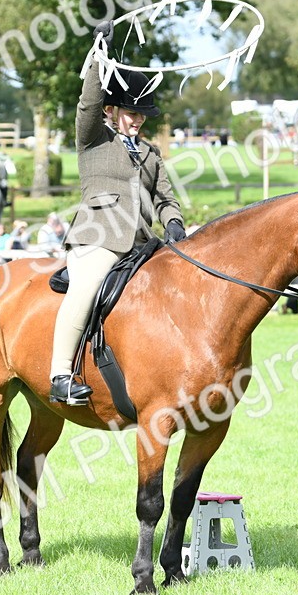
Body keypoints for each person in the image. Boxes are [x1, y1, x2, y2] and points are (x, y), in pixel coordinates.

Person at [49, 21, 185, 406]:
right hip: (99, 238)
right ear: (111, 110)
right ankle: (61, 373)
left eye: (143, 114)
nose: (138, 120)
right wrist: (98, 53)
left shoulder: (151, 154)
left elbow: (166, 197)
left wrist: (173, 222)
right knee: (88, 285)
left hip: (144, 244)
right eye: (131, 112)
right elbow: (86, 103)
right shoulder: (93, 139)